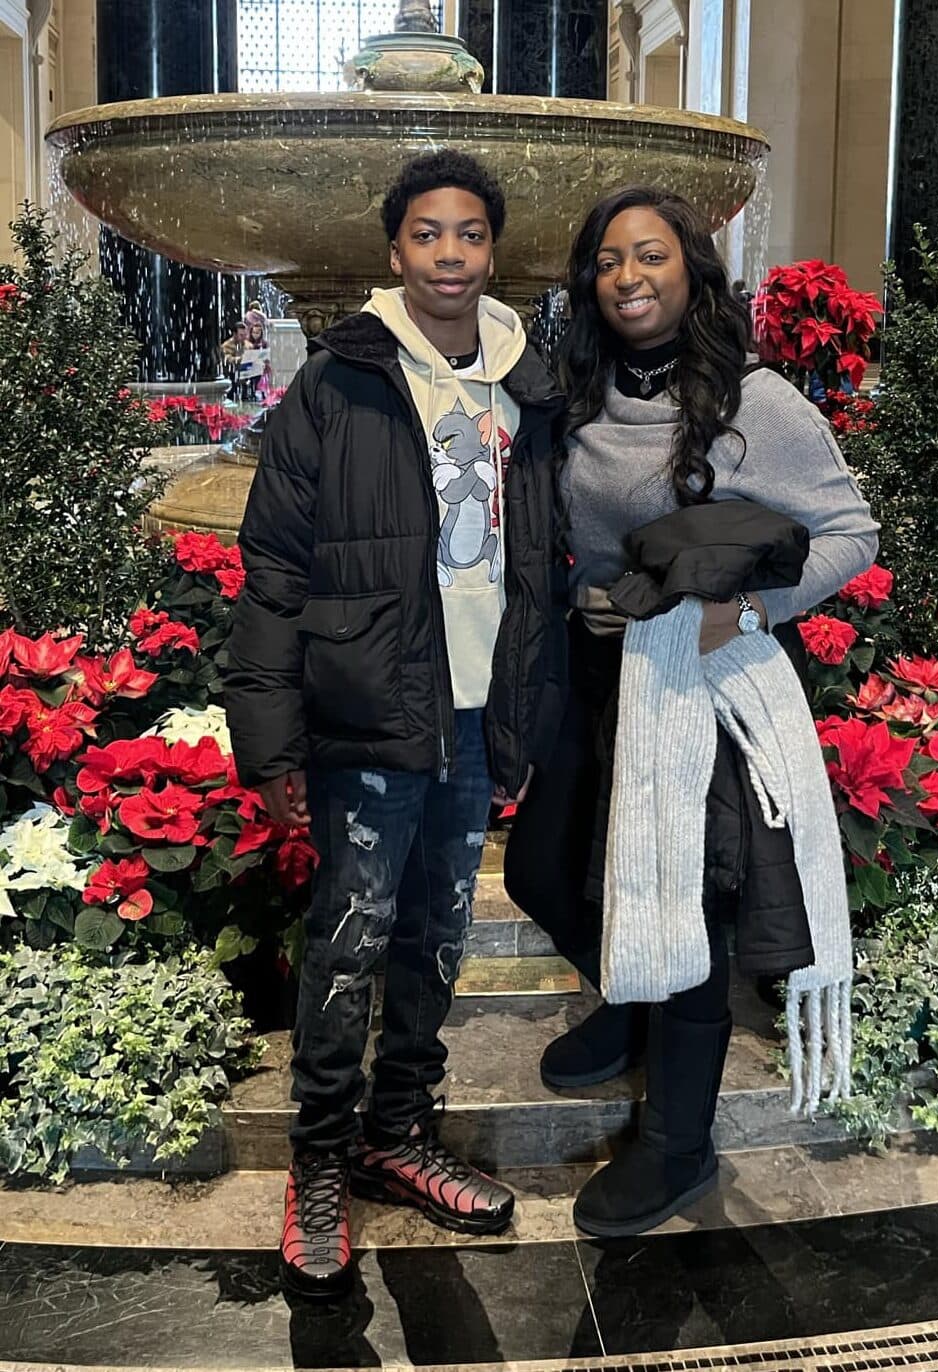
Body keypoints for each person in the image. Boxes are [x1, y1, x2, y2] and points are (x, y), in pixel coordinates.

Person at [504, 186, 879, 1239]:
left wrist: (750, 607)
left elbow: (852, 532)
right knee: (541, 867)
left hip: (697, 688)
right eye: (609, 260)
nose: (628, 276)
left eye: (650, 256)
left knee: (694, 917)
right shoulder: (577, 391)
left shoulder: (752, 402)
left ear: (692, 270)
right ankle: (629, 991)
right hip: (594, 675)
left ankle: (677, 1139)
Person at [225, 149, 564, 1296]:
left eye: (470, 234)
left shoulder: (530, 380)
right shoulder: (340, 382)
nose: (451, 255)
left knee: (435, 937)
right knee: (351, 938)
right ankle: (318, 1160)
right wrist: (266, 736)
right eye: (429, 234)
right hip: (371, 708)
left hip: (475, 720)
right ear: (395, 251)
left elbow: (547, 565)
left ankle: (397, 1129)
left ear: (490, 251)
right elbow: (271, 564)